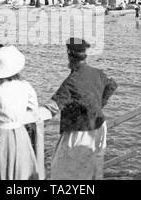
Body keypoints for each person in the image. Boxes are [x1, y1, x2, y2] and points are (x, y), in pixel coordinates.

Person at [41, 38, 118, 180]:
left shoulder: (72, 80)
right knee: (93, 171)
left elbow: (53, 106)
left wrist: (35, 116)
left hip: (81, 131)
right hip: (99, 126)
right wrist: (99, 104)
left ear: (70, 56)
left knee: (63, 171)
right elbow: (111, 85)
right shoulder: (97, 73)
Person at [0, 44, 39, 180]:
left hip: (1, 136)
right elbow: (33, 107)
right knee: (22, 171)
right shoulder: (25, 86)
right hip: (20, 133)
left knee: (2, 171)